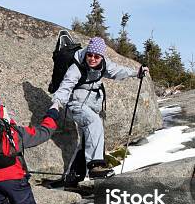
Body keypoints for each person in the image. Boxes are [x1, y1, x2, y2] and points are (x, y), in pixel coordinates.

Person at [51, 36, 148, 179]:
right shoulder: (76, 68)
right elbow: (66, 86)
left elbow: (117, 71)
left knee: (87, 138)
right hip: (75, 104)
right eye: (90, 55)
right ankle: (95, 166)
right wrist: (56, 104)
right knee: (93, 122)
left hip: (91, 104)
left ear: (102, 57)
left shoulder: (104, 64)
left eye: (96, 56)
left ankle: (74, 174)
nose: (92, 59)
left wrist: (136, 73)